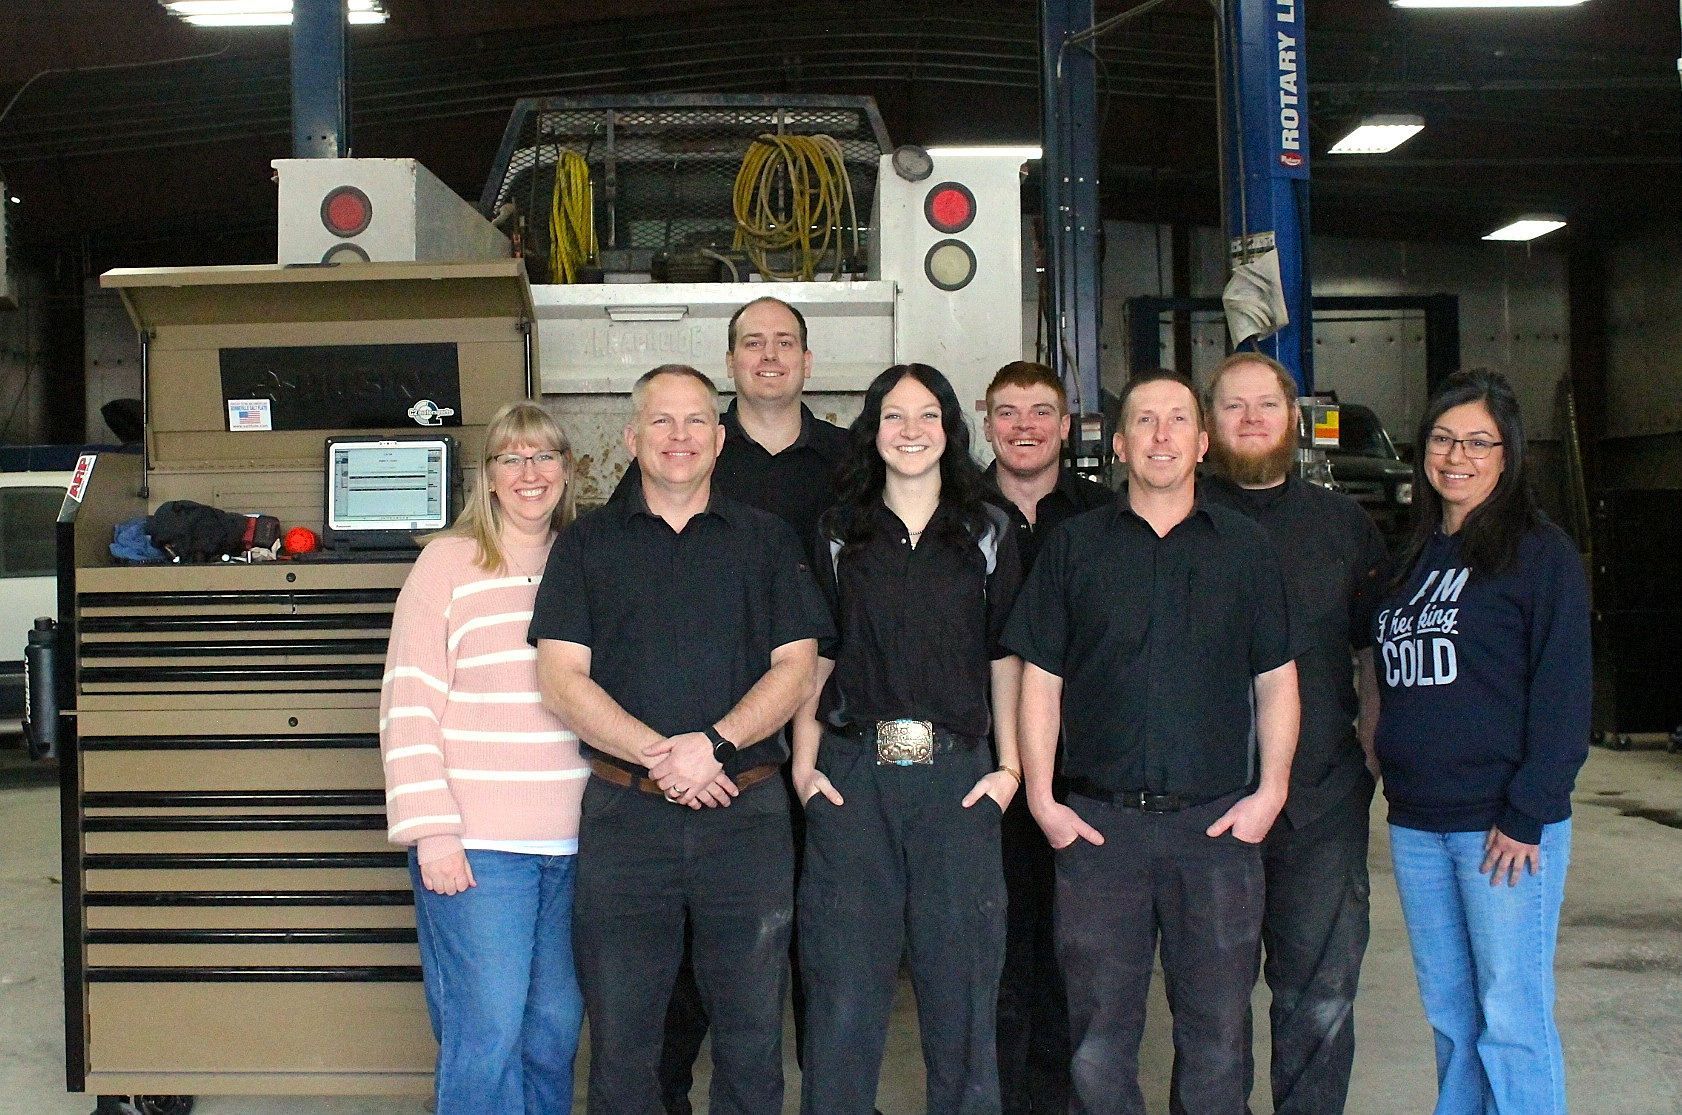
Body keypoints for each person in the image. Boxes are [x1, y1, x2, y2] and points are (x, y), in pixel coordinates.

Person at [532, 364, 832, 1115]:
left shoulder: (766, 541)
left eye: (696, 420)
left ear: (720, 438)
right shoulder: (586, 546)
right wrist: (664, 756)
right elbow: (561, 680)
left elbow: (797, 668)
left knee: (751, 1034)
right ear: (631, 437)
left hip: (747, 821)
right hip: (625, 821)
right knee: (626, 1041)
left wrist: (716, 744)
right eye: (661, 422)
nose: (679, 437)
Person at [1003, 367, 1300, 1115]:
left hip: (1218, 829)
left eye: (1177, 421)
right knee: (1098, 1039)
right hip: (1102, 833)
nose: (1161, 435)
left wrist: (1273, 792)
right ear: (1121, 445)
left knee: (1219, 1035)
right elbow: (1040, 679)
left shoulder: (1246, 549)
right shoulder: (1074, 549)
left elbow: (1277, 680)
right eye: (1145, 421)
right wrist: (1042, 797)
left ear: (1203, 442)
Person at [610, 296, 848, 1113]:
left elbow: (806, 651)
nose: (770, 356)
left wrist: (722, 745)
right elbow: (598, 640)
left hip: (797, 748)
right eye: (753, 342)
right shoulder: (650, 491)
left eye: (786, 343)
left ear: (808, 361)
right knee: (664, 988)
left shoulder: (848, 462)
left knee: (787, 966)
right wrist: (675, 754)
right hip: (666, 777)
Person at [794, 362, 1024, 1115]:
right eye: (895, 416)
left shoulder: (987, 528)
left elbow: (1006, 657)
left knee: (961, 992)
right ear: (873, 430)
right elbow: (814, 653)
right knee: (843, 994)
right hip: (855, 771)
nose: (912, 431)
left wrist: (1010, 769)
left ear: (951, 429)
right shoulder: (837, 529)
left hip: (956, 777)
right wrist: (805, 766)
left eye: (929, 416)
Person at [1371, 368, 1590, 1115]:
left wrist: (1530, 809)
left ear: (1509, 454)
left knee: (1512, 1020)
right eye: (1441, 438)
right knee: (1453, 1023)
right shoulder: (1415, 555)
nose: (1455, 456)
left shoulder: (1540, 552)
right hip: (1418, 824)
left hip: (1502, 828)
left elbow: (1564, 693)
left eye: (1477, 441)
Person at [379, 401, 586, 1114]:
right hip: (479, 845)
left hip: (578, 844)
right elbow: (408, 701)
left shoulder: (588, 557)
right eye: (511, 458)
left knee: (554, 1031)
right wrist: (431, 830)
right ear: (489, 476)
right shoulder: (448, 562)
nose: (529, 472)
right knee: (486, 1032)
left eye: (544, 456)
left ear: (567, 469)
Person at [1200, 352, 1389, 1115]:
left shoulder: (1343, 524)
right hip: (1202, 802)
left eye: (1266, 405)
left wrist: (1372, 748)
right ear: (1209, 426)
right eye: (1233, 406)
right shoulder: (1176, 517)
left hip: (1321, 799)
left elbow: (1376, 649)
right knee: (1211, 1001)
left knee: (1319, 994)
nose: (1250, 418)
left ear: (1293, 420)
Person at [979, 360, 1109, 1114]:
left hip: (1082, 773)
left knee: (1074, 955)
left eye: (1040, 411)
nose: (1024, 425)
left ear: (1066, 424)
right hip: (986, 773)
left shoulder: (1100, 520)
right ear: (984, 420)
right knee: (993, 953)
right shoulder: (954, 515)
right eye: (1007, 411)